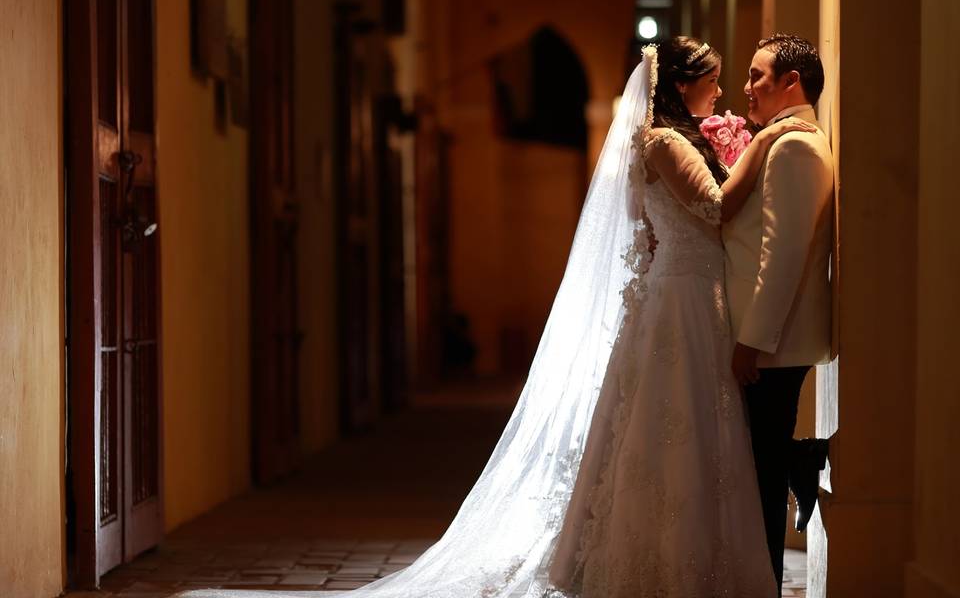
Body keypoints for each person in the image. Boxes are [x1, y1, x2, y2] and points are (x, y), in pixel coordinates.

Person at [180, 38, 812, 598]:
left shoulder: (677, 139)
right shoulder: (666, 141)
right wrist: (767, 142)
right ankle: (659, 559)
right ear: (682, 84)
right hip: (682, 299)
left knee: (692, 427)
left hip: (691, 295)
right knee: (672, 427)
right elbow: (712, 207)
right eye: (715, 78)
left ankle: (697, 555)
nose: (725, 90)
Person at [725, 33, 834, 595]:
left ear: (792, 82)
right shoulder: (781, 140)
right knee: (757, 464)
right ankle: (803, 457)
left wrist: (753, 341)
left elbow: (784, 254)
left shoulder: (794, 148)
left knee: (760, 477)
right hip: (768, 342)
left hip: (773, 344)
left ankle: (764, 583)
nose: (747, 88)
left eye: (757, 76)